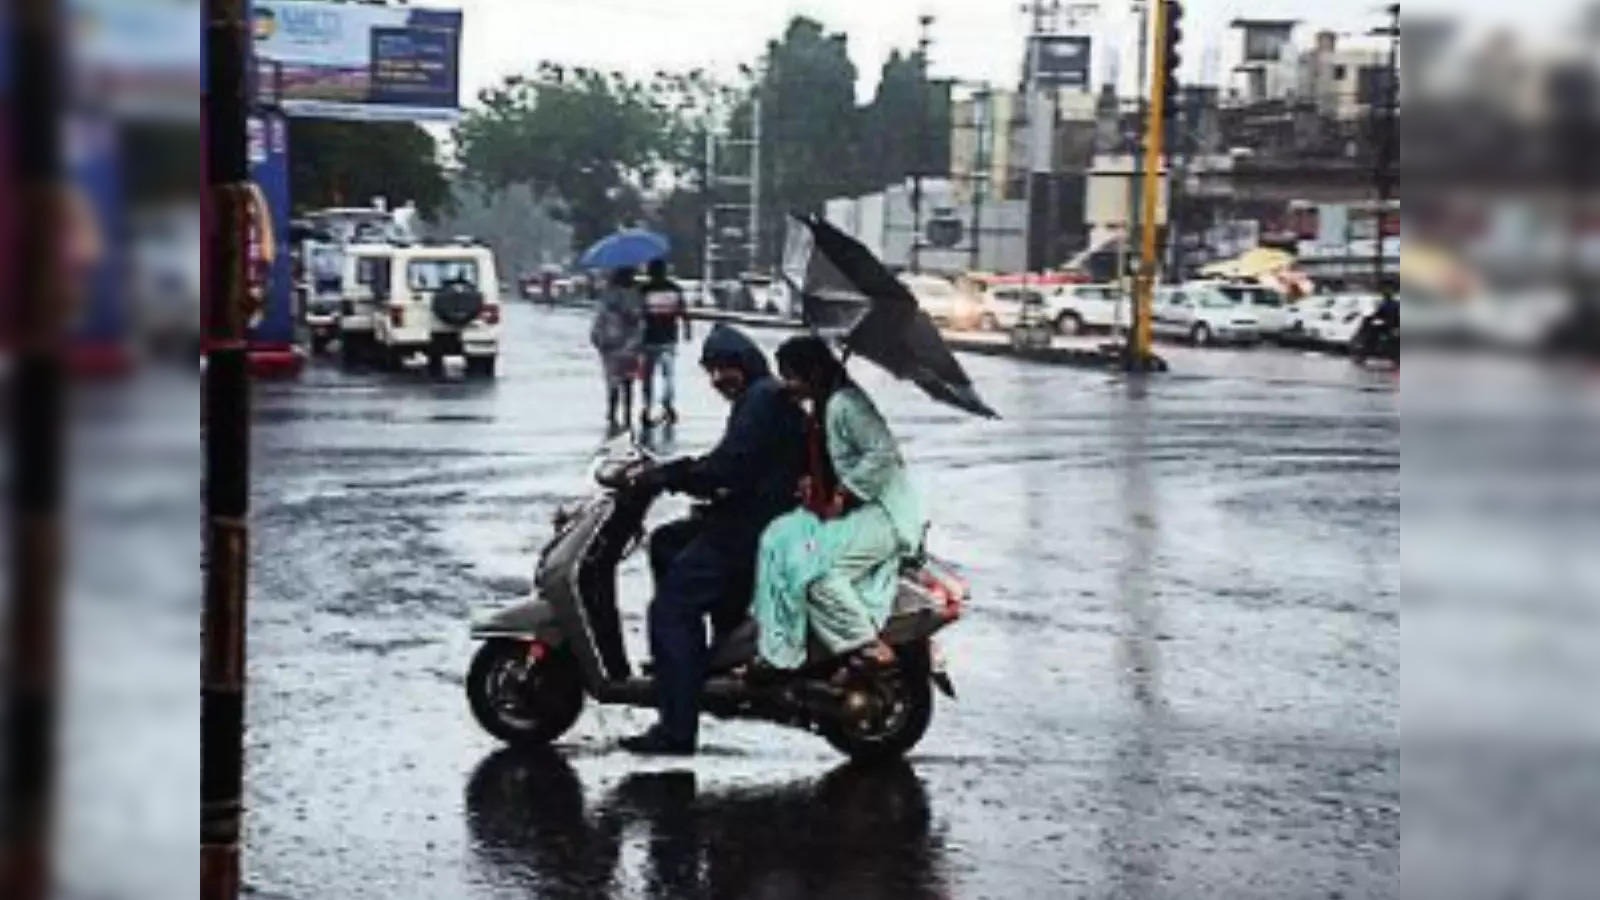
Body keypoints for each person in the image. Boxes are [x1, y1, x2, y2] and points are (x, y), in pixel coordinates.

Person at [620, 324, 807, 755]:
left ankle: (676, 729)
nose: (718, 379)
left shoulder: (761, 399)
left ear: (744, 364)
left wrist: (671, 475)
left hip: (753, 528)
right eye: (712, 372)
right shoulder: (759, 398)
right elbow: (734, 462)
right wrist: (678, 473)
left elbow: (727, 468)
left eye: (724, 369)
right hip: (756, 516)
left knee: (672, 608)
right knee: (667, 542)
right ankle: (700, 656)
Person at [749, 336, 926, 675]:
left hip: (883, 514)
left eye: (792, 376)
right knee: (777, 542)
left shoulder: (846, 404)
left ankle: (867, 644)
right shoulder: (824, 405)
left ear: (814, 372)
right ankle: (780, 649)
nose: (788, 385)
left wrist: (845, 492)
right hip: (857, 512)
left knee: (817, 574)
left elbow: (882, 453)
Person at [590, 266, 644, 432]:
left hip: (610, 344)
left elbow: (599, 321)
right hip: (630, 344)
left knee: (612, 381)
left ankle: (612, 412)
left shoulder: (607, 297)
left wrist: (597, 340)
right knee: (628, 381)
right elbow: (640, 320)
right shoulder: (636, 296)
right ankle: (627, 413)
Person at [638, 258, 691, 427]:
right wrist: (687, 329)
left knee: (648, 376)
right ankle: (668, 405)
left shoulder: (644, 290)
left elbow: (637, 313)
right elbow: (683, 311)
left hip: (649, 338)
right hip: (669, 338)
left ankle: (647, 407)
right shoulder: (675, 289)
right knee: (668, 375)